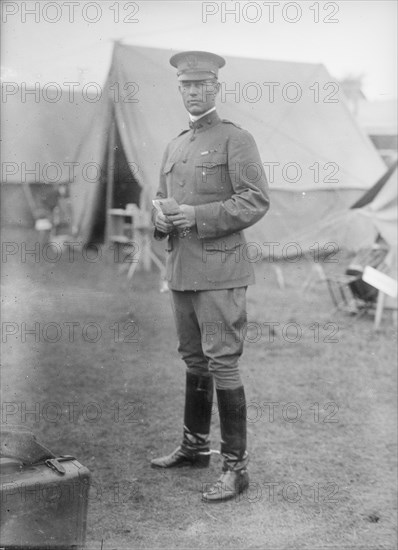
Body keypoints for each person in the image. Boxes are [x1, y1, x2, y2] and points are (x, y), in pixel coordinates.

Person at [151, 51, 270, 502]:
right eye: (186, 85)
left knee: (222, 360)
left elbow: (255, 200)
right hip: (182, 268)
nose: (193, 91)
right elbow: (163, 200)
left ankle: (235, 469)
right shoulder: (175, 144)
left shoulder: (235, 139)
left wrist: (195, 216)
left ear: (216, 88)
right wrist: (161, 221)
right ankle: (194, 448)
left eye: (201, 85)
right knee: (193, 359)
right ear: (179, 88)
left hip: (220, 269)